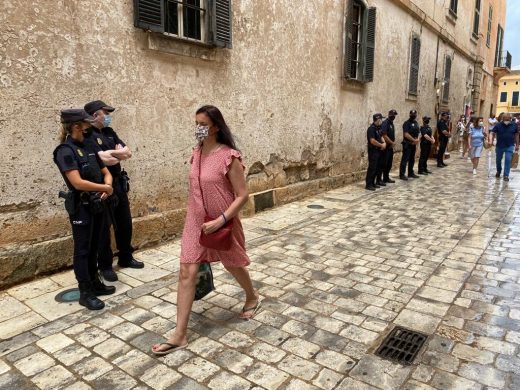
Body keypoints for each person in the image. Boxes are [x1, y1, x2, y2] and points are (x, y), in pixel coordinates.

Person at [151, 105, 259, 356]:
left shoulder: (229, 156)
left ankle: (252, 296)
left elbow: (242, 196)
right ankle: (179, 335)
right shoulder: (196, 152)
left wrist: (221, 220)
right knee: (186, 271)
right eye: (196, 123)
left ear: (216, 127)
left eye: (203, 124)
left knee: (232, 263)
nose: (198, 129)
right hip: (195, 221)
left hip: (223, 222)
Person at [53, 109, 116, 310]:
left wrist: (107, 186)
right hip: (82, 207)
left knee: (96, 246)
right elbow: (77, 182)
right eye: (85, 123)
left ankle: (95, 283)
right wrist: (104, 188)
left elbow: (105, 171)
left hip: (98, 203)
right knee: (83, 250)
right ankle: (85, 292)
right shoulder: (65, 151)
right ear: (76, 126)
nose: (89, 126)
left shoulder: (88, 146)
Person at [83, 100, 143, 282]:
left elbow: (128, 153)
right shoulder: (87, 135)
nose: (108, 116)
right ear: (95, 115)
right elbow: (101, 160)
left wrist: (112, 154)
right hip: (101, 186)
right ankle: (106, 266)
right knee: (103, 228)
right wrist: (115, 154)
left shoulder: (109, 132)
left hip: (118, 183)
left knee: (124, 222)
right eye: (106, 113)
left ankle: (126, 257)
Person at [489, 113, 519, 181]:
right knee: (498, 160)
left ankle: (506, 175)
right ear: (502, 118)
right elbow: (492, 133)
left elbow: (517, 135)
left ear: (510, 119)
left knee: (508, 160)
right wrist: (490, 140)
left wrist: (517, 145)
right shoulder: (498, 125)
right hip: (500, 145)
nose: (506, 120)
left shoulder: (514, 125)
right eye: (505, 119)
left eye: (508, 119)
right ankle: (499, 171)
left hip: (510, 145)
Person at [365, 113, 386, 190]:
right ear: (377, 120)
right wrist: (381, 145)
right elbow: (372, 141)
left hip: (378, 151)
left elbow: (381, 136)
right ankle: (368, 184)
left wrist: (384, 143)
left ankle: (373, 183)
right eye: (381, 119)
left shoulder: (378, 128)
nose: (382, 121)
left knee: (377, 167)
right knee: (372, 167)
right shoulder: (371, 129)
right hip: (373, 151)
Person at [399, 110, 420, 180]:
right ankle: (402, 174)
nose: (413, 115)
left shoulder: (416, 123)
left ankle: (410, 173)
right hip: (407, 144)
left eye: (414, 114)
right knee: (405, 159)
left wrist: (416, 141)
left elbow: (417, 133)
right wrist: (414, 140)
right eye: (412, 114)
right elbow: (406, 134)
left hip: (413, 144)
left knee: (412, 159)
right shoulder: (406, 123)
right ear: (410, 114)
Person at [379, 109, 397, 183]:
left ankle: (386, 178)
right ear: (389, 114)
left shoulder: (391, 123)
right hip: (386, 147)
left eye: (394, 115)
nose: (393, 116)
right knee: (383, 164)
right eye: (392, 115)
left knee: (389, 164)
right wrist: (392, 142)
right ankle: (379, 179)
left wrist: (392, 143)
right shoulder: (385, 123)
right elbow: (384, 135)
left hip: (390, 147)